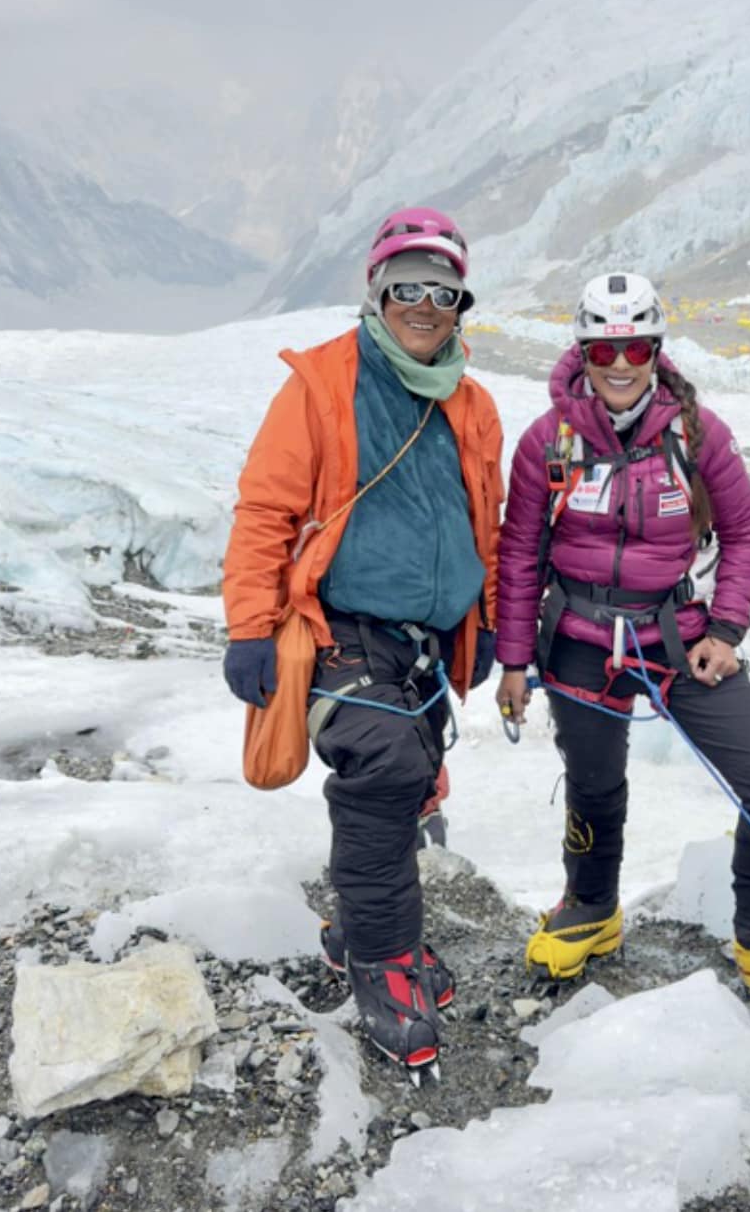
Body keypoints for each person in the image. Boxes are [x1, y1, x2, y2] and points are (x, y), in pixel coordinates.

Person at [494, 272, 750, 1004]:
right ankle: (589, 909)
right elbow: (519, 552)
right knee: (593, 786)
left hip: (678, 636)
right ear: (583, 350)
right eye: (604, 348)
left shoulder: (696, 433)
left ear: (656, 349)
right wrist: (510, 661)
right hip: (577, 639)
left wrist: (724, 629)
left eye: (635, 346)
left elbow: (747, 531)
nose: (620, 363)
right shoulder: (548, 441)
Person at [222, 208, 503, 1070]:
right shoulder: (321, 385)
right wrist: (248, 626)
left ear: (461, 301)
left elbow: (481, 523)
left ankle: (356, 929)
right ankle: (385, 962)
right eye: (405, 285)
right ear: (376, 290)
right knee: (385, 766)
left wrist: (483, 617)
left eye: (441, 289)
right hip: (338, 626)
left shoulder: (473, 402)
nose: (423, 303)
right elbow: (267, 510)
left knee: (409, 781)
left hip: (424, 638)